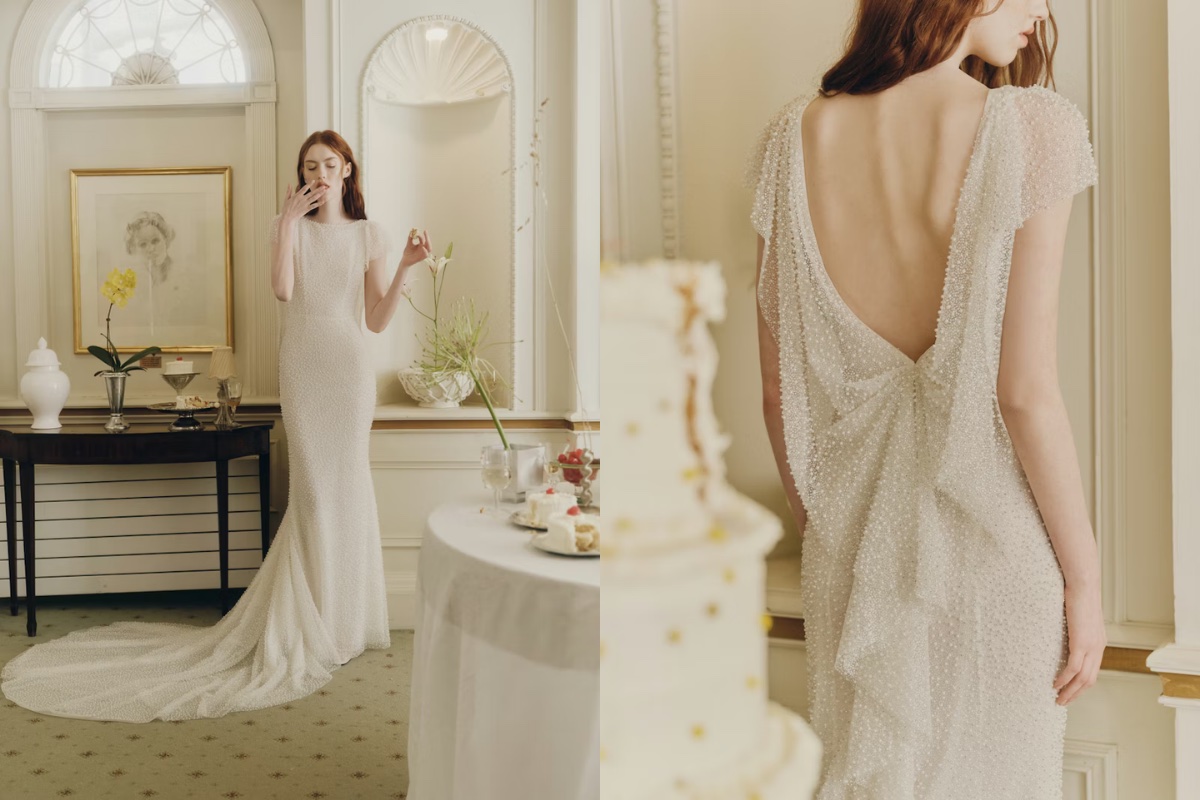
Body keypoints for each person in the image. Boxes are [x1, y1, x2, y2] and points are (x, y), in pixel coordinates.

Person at [749, 1, 1104, 797]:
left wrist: (830, 531)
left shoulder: (791, 139)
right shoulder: (1032, 126)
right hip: (994, 553)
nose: (1042, 10)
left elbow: (778, 394)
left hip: (853, 552)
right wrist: (1083, 580)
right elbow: (1025, 391)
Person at [0, 130, 429, 722]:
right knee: (312, 496)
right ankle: (311, 623)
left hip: (351, 371)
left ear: (349, 170)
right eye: (311, 165)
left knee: (348, 490)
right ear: (300, 174)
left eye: (331, 164)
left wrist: (406, 267)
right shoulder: (291, 228)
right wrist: (285, 222)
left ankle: (343, 622)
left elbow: (377, 320)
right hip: (304, 368)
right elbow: (282, 290)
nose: (321, 173)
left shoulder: (369, 235)